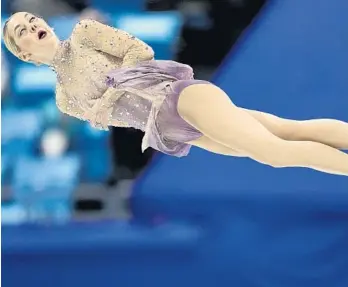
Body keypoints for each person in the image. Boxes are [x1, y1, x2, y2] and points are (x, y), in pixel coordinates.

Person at [3, 12, 348, 176]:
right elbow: (120, 117)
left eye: (33, 20)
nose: (34, 26)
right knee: (287, 131)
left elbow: (141, 52)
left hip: (179, 97)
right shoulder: (64, 99)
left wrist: (106, 98)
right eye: (24, 31)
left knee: (273, 152)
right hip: (173, 130)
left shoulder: (83, 34)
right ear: (24, 55)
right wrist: (105, 105)